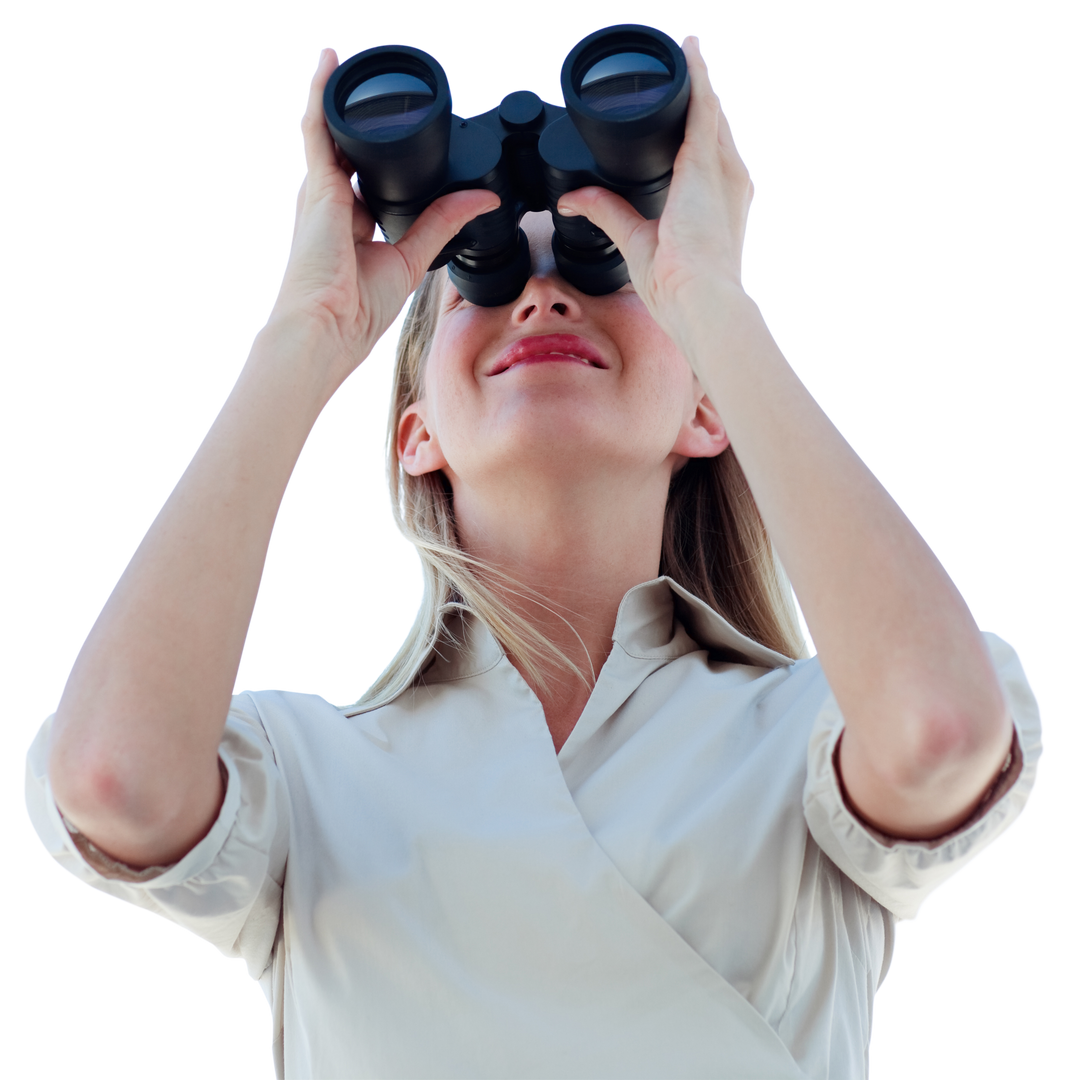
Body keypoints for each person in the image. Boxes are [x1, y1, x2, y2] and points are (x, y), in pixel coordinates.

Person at [21, 32, 1044, 1080]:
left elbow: (942, 732)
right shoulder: (309, 777)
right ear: (415, 432)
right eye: (480, 284)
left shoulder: (807, 741)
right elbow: (111, 779)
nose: (544, 295)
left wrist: (711, 300)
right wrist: (308, 333)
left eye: (604, 272)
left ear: (706, 407)